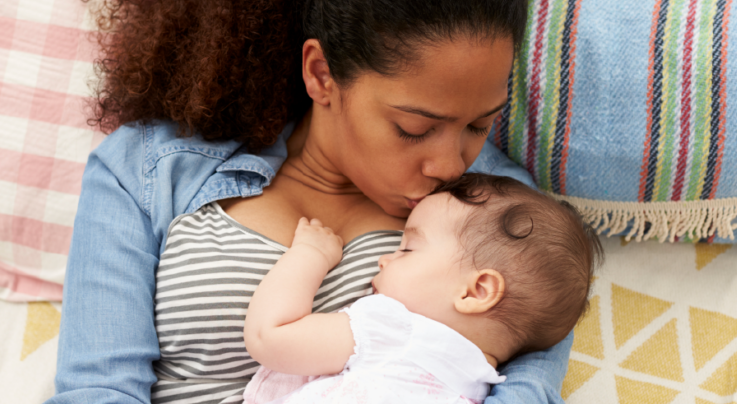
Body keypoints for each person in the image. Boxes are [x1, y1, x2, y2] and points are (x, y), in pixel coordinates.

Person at [48, 1, 577, 403]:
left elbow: (523, 390)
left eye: (479, 124)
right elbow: (99, 387)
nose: (451, 166)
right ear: (321, 75)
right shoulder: (150, 168)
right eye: (414, 128)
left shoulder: (511, 220)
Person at [241, 173, 601, 403]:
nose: (385, 259)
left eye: (408, 248)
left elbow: (270, 335)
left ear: (475, 291)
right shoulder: (480, 388)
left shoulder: (396, 328)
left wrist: (309, 254)